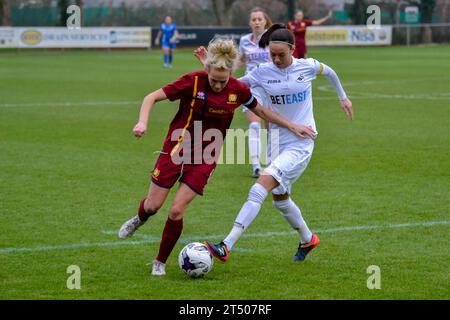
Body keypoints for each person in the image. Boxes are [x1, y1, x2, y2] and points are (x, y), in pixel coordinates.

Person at [118, 38, 317, 276]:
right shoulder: (192, 81)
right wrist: (142, 122)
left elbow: (262, 111)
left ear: (231, 74)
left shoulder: (238, 89)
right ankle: (140, 218)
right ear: (206, 70)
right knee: (153, 206)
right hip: (177, 148)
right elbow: (151, 97)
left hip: (206, 156)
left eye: (223, 81)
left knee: (176, 211)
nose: (219, 85)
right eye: (213, 80)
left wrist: (293, 125)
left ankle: (159, 262)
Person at [205, 24, 353, 264]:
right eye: (272, 54)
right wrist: (208, 72)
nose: (276, 59)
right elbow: (232, 83)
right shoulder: (263, 72)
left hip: (301, 143)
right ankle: (308, 239)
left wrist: (343, 97)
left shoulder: (308, 66)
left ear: (292, 49)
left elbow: (330, 72)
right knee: (280, 198)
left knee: (260, 186)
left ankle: (225, 245)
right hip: (276, 142)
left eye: (281, 54)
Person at [236, 7, 273, 178]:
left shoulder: (272, 38)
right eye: (254, 19)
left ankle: (272, 163)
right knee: (254, 125)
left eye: (260, 19)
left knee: (270, 127)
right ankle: (256, 166)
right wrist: (225, 72)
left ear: (265, 21)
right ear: (250, 23)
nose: (257, 22)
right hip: (251, 87)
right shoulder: (244, 40)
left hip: (272, 87)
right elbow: (241, 60)